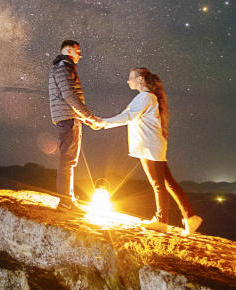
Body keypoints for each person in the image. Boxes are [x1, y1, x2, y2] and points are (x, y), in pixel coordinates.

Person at [95, 68, 203, 236]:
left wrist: (102, 123)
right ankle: (190, 217)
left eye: (130, 78)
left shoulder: (145, 97)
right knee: (168, 183)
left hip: (150, 147)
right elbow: (126, 115)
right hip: (153, 145)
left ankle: (162, 221)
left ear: (140, 79)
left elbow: (128, 117)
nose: (128, 81)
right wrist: (103, 123)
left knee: (159, 184)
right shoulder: (145, 97)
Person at [48, 40, 98, 211]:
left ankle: (66, 199)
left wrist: (83, 118)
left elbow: (67, 95)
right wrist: (88, 116)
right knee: (68, 160)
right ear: (69, 51)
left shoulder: (63, 67)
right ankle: (65, 202)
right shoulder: (64, 67)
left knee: (69, 160)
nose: (80, 55)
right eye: (78, 51)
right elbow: (69, 94)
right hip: (68, 119)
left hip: (69, 117)